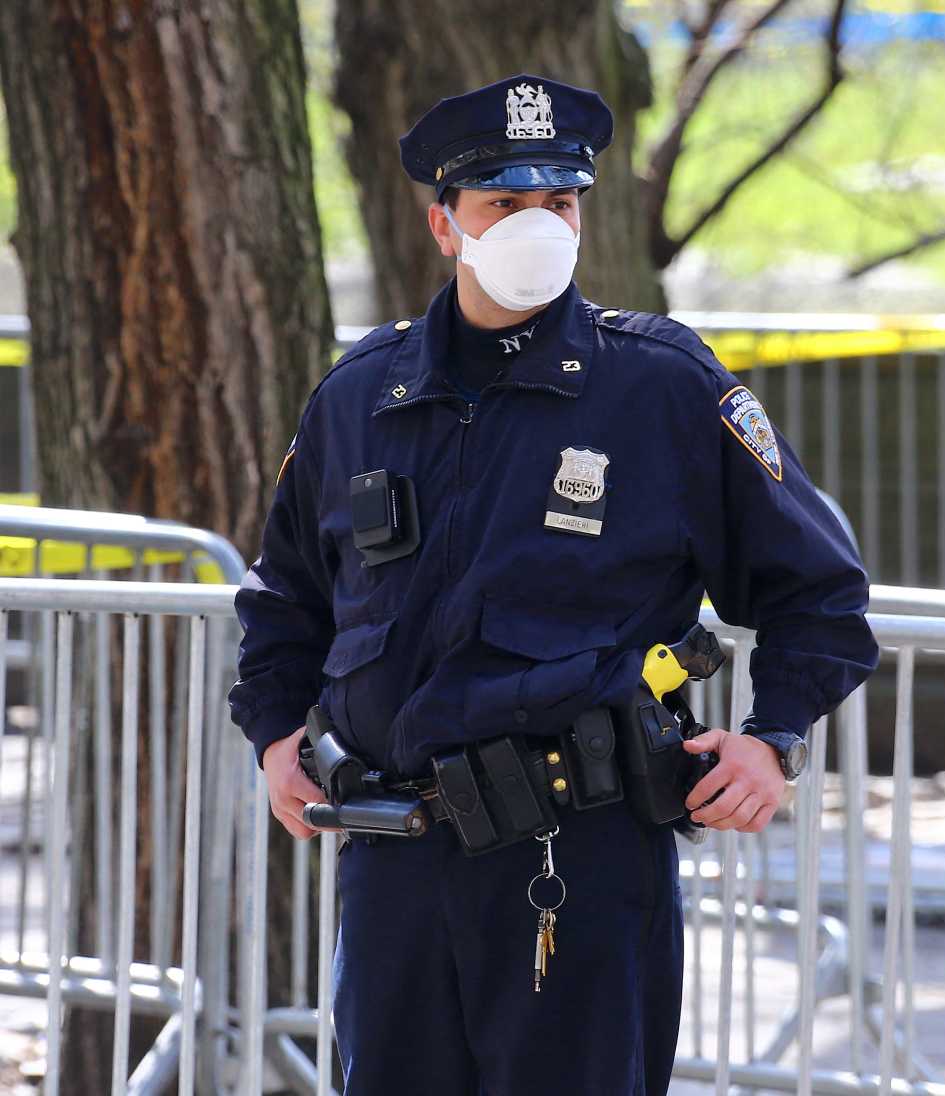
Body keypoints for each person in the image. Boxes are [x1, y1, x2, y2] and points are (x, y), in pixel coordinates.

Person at [229, 73, 877, 1096]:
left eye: (559, 203)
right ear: (444, 224)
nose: (539, 225)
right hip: (393, 857)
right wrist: (273, 737)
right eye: (504, 203)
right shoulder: (361, 396)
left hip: (573, 862)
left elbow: (820, 593)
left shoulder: (660, 386)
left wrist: (773, 739)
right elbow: (284, 602)